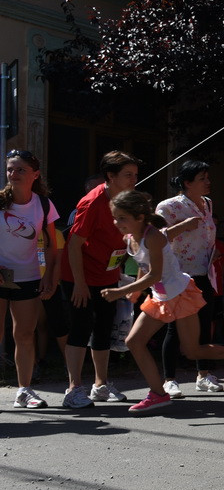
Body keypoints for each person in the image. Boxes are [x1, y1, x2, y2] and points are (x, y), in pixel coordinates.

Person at [102, 191, 224, 414]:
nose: (117, 222)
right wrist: (136, 290)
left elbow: (155, 274)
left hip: (180, 295)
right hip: (161, 297)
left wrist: (122, 291)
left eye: (122, 217)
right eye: (115, 217)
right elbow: (145, 266)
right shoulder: (130, 238)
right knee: (134, 342)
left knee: (192, 351)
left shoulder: (153, 237)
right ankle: (158, 394)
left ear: (140, 217)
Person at [61, 150, 140, 409]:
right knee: (81, 327)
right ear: (111, 176)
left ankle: (100, 385)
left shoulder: (126, 200)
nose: (134, 180)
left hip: (107, 274)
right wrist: (80, 284)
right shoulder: (93, 203)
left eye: (135, 174)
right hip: (80, 276)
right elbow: (74, 244)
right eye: (128, 175)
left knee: (105, 327)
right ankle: (73, 389)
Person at [156, 160, 224, 396]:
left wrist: (212, 251)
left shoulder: (207, 203)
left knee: (205, 325)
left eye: (207, 177)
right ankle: (169, 379)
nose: (208, 182)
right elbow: (156, 237)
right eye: (202, 179)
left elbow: (206, 235)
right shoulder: (168, 206)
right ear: (187, 183)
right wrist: (183, 226)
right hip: (178, 276)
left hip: (203, 273)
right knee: (175, 328)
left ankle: (203, 375)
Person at [1, 149, 59, 409]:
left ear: (35, 175)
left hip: (28, 276)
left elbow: (51, 245)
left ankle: (24, 391)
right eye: (10, 169)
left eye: (20, 170)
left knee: (24, 334)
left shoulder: (43, 205)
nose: (13, 174)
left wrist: (49, 276)